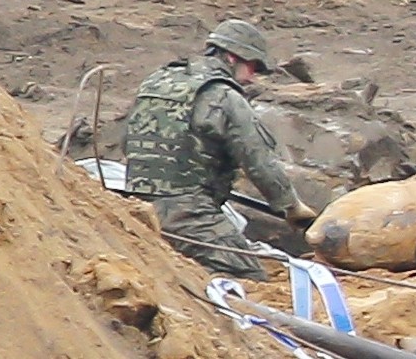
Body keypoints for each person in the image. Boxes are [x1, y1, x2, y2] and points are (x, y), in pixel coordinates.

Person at [123, 19, 317, 281]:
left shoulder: (156, 81)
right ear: (231, 57)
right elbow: (259, 161)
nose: (252, 77)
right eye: (252, 67)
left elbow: (129, 140)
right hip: (189, 215)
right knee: (249, 276)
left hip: (133, 207)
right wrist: (291, 206)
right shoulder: (224, 96)